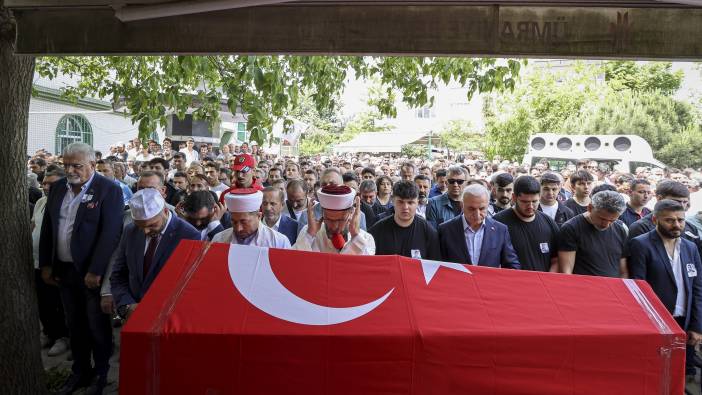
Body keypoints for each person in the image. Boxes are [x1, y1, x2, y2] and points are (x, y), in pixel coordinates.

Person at [39, 143, 124, 395]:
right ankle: (80, 372)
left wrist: (96, 270)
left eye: (76, 165)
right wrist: (46, 263)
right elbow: (48, 228)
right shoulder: (57, 188)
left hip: (90, 273)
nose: (70, 170)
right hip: (64, 271)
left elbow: (110, 234)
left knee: (96, 327)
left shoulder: (108, 189)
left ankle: (100, 375)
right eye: (66, 165)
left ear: (92, 165)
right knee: (74, 326)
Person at [628, 200, 702, 377]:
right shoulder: (641, 244)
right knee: (657, 372)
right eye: (669, 220)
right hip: (657, 320)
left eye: (680, 220)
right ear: (655, 220)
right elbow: (639, 287)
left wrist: (697, 325)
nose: (676, 225)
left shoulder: (690, 247)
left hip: (685, 321)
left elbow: (698, 288)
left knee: (683, 372)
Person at [111, 189, 200, 322]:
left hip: (168, 319)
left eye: (152, 225)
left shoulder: (189, 235)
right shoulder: (131, 231)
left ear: (164, 211)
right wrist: (127, 306)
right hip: (134, 316)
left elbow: (189, 285)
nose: (146, 231)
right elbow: (118, 274)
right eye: (140, 226)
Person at [31, 167, 69, 357]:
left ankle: (63, 337)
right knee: (42, 302)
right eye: (44, 182)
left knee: (57, 302)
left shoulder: (65, 204)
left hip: (56, 263)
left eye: (50, 183)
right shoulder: (40, 202)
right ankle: (48, 332)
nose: (45, 186)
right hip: (37, 262)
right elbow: (34, 226)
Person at [438, 184, 520, 269]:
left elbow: (511, 265)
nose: (477, 214)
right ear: (462, 205)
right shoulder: (445, 230)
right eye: (471, 209)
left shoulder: (500, 230)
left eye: (481, 209)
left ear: (488, 205)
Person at [493, 176, 559, 272]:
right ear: (514, 198)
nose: (530, 206)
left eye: (534, 201)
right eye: (525, 202)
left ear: (539, 197)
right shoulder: (497, 223)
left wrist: (548, 280)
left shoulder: (549, 223)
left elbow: (556, 259)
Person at [558, 190, 628, 278]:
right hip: (584, 288)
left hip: (613, 287)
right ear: (590, 208)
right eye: (602, 219)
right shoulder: (571, 228)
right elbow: (566, 271)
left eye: (612, 220)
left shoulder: (620, 230)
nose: (606, 224)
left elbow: (623, 269)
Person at [293, 185, 375, 255]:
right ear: (322, 214)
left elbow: (360, 268)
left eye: (340, 220)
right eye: (329, 219)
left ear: (351, 214)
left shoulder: (366, 239)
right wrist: (309, 235)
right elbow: (295, 262)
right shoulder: (309, 232)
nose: (334, 227)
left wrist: (356, 237)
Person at [369, 181, 440, 260]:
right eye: (400, 202)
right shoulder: (377, 230)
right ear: (392, 200)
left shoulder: (429, 232)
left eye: (410, 202)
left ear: (417, 202)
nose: (405, 207)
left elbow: (435, 265)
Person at [212, 189, 291, 248]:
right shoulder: (219, 240)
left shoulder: (278, 242)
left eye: (244, 222)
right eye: (234, 222)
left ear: (259, 216)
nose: (238, 228)